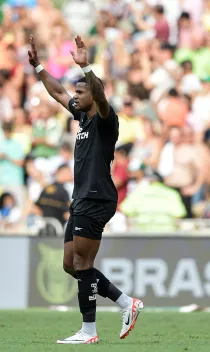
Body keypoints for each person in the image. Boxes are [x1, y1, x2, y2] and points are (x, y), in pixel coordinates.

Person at [28, 35, 143, 344]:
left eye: (81, 92)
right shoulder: (81, 116)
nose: (75, 96)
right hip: (82, 199)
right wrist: (37, 65)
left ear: (93, 94)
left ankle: (89, 331)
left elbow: (103, 96)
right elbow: (56, 91)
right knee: (70, 265)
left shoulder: (107, 119)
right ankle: (125, 302)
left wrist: (87, 66)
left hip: (97, 198)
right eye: (76, 92)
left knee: (83, 264)